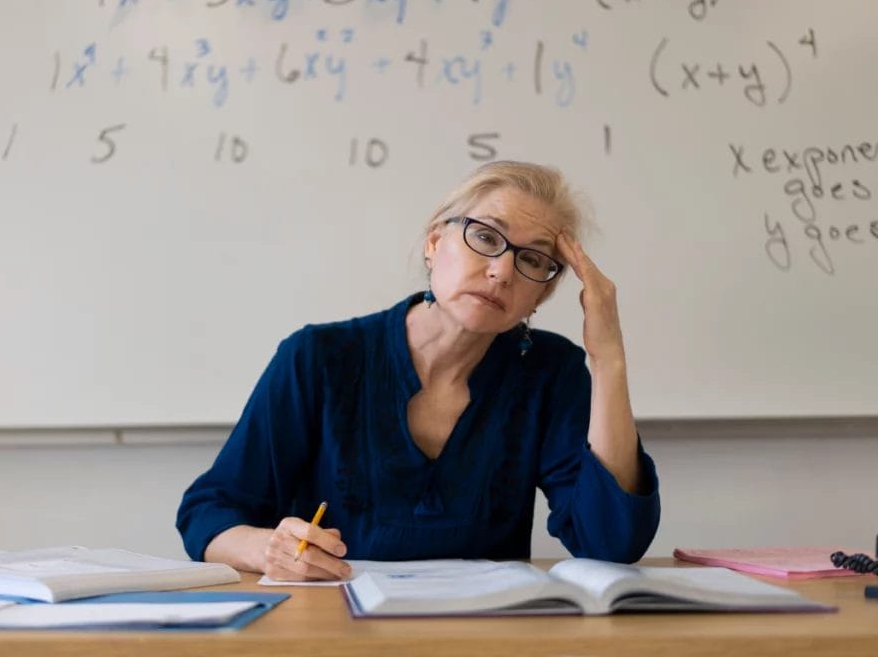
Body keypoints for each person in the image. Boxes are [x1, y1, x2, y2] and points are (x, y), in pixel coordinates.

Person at [176, 161, 660, 581]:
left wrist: (608, 359)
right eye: (486, 237)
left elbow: (610, 544)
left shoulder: (549, 372)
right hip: (330, 637)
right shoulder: (318, 357)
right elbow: (209, 513)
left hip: (487, 643)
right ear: (434, 242)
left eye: (532, 259)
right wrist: (269, 550)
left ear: (541, 294)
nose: (501, 271)